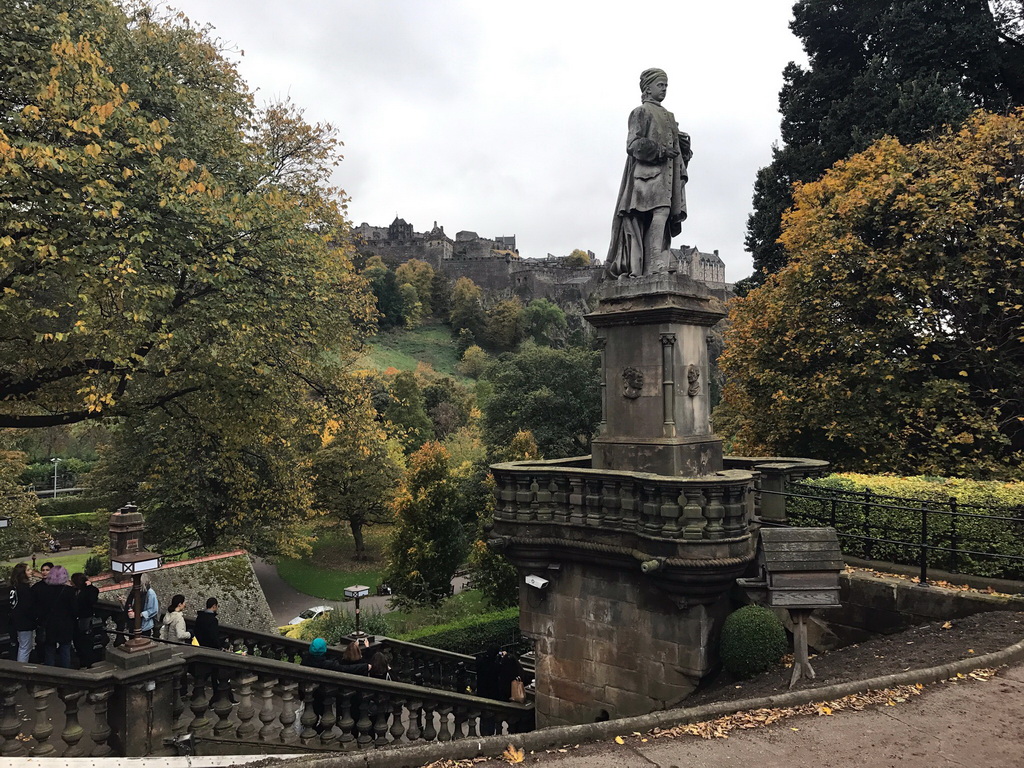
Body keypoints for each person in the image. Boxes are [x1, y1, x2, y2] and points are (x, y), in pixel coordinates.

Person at [606, 68, 691, 279]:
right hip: (646, 178)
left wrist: (684, 146)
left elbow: (677, 150)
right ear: (648, 88)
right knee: (653, 216)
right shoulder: (640, 112)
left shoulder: (669, 116)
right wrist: (660, 151)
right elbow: (633, 144)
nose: (664, 89)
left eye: (666, 86)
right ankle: (653, 264)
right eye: (660, 85)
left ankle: (655, 263)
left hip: (666, 178)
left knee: (661, 216)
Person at [34, 565, 76, 667]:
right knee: (65, 649)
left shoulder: (44, 590)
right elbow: (75, 610)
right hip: (65, 624)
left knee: (49, 649)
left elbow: (40, 608)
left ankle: (50, 673)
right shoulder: (69, 591)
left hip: (49, 623)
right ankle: (66, 673)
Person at [71, 573, 99, 667]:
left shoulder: (88, 591)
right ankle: (82, 661)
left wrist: (89, 586)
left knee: (85, 641)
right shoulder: (74, 591)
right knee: (78, 641)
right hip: (77, 619)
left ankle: (87, 662)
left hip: (85, 618)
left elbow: (92, 600)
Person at [8, 564, 35, 663]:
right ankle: (22, 669)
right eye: (28, 570)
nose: (31, 571)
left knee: (22, 645)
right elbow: (27, 606)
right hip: (24, 621)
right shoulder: (24, 588)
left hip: (15, 619)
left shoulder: (13, 587)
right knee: (25, 647)